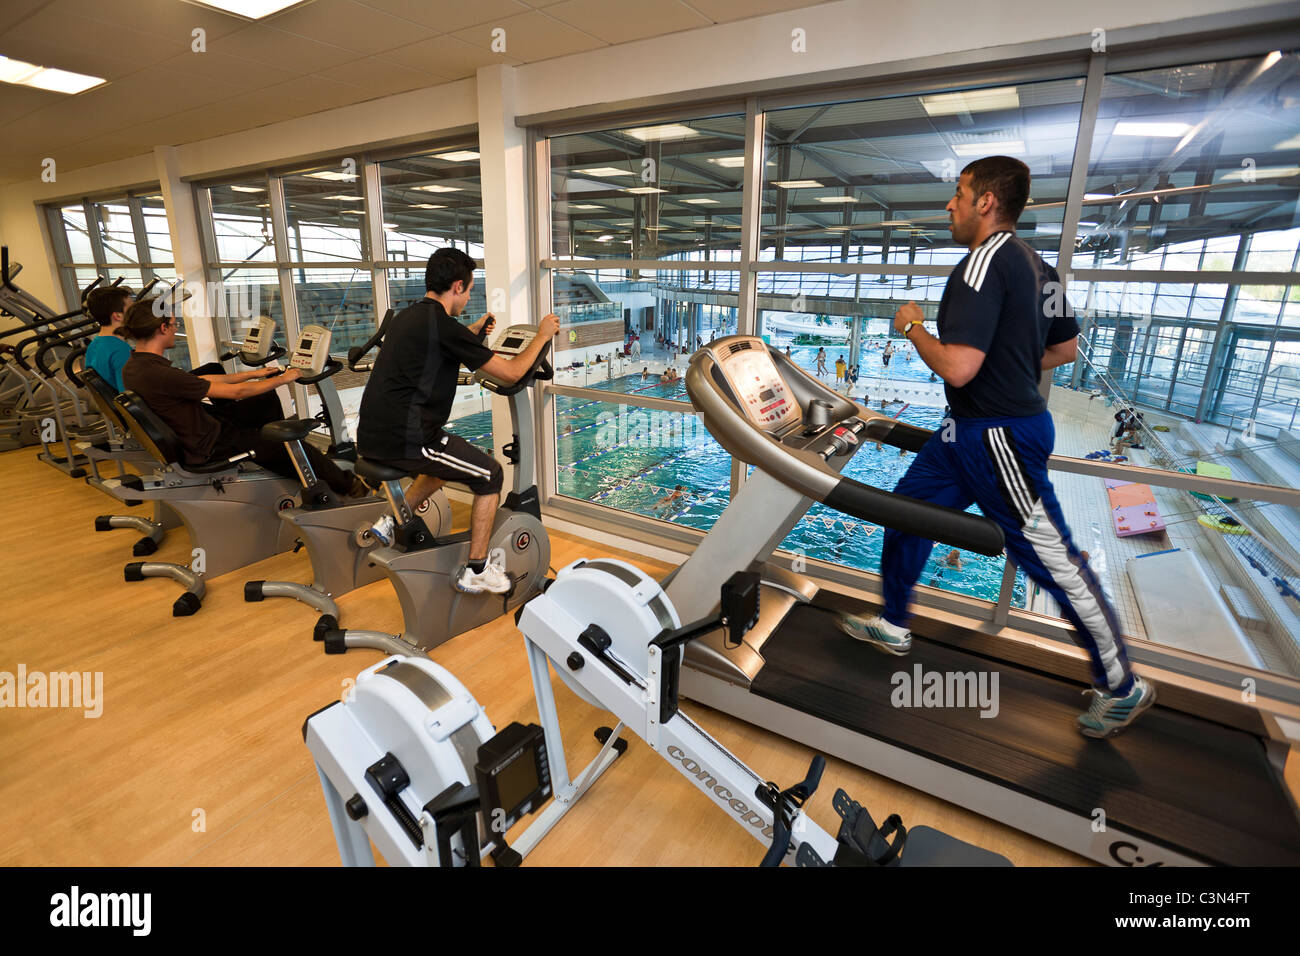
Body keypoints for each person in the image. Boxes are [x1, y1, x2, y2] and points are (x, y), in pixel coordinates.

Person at [838, 155, 1153, 739]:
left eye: (958, 194)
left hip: (997, 437)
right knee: (906, 516)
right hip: (963, 435)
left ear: (986, 201)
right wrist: (1005, 365)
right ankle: (894, 622)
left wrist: (911, 325)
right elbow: (1064, 349)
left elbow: (957, 369)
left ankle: (1122, 685)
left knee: (1051, 559)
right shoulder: (1040, 267)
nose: (950, 205)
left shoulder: (977, 268)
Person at [356, 248, 560, 595]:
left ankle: (391, 520)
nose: (467, 298)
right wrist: (541, 335)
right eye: (467, 291)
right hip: (407, 439)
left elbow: (439, 343)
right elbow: (511, 372)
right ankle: (477, 570)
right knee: (490, 473)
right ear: (456, 286)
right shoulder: (443, 326)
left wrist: (473, 331)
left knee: (447, 463)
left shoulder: (409, 316)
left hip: (373, 435)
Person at [119, 298, 367, 498]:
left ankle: (273, 455)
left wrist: (257, 375)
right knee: (292, 444)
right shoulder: (159, 373)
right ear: (162, 328)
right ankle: (349, 486)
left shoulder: (137, 365)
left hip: (201, 426)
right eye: (174, 325)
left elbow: (204, 383)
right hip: (210, 442)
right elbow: (234, 394)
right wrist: (283, 378)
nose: (175, 330)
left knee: (265, 402)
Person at [84, 285, 134, 392]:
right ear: (118, 316)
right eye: (131, 309)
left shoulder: (94, 345)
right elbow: (128, 397)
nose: (135, 313)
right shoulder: (121, 350)